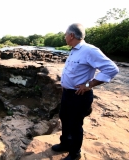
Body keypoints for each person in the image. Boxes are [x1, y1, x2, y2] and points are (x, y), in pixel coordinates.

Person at [51, 23, 119, 160]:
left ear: (71, 35)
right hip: (67, 94)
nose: (64, 37)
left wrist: (90, 84)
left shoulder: (89, 50)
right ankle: (65, 144)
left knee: (75, 124)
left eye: (65, 34)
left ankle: (75, 153)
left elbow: (112, 69)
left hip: (79, 96)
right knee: (64, 118)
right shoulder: (74, 50)